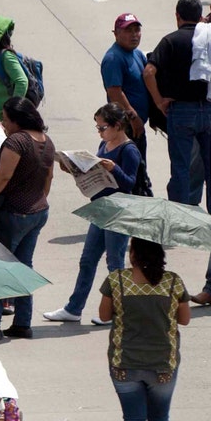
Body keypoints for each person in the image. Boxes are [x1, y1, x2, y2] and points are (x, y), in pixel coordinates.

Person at [98, 237, 188, 421]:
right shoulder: (173, 282)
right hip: (163, 364)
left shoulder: (116, 281)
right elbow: (184, 319)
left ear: (134, 253)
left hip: (124, 363)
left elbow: (103, 316)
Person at [47, 103, 144, 322]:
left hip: (119, 211)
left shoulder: (129, 150)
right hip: (100, 209)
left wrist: (114, 169)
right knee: (87, 260)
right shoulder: (104, 144)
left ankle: (117, 311)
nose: (100, 132)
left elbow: (129, 183)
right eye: (97, 128)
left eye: (103, 127)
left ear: (118, 126)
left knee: (114, 262)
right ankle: (74, 308)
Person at [0, 97, 56, 341]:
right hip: (38, 212)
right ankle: (22, 323)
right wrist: (37, 200)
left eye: (6, 119)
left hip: (14, 214)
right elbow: (49, 177)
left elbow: (3, 177)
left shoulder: (17, 141)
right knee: (23, 267)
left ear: (17, 120)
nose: (4, 124)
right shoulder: (46, 141)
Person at [146, 0, 211, 208]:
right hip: (209, 109)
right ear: (201, 17)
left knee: (180, 168)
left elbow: (149, 72)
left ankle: (178, 220)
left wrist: (159, 101)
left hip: (181, 112)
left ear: (177, 16)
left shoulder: (170, 40)